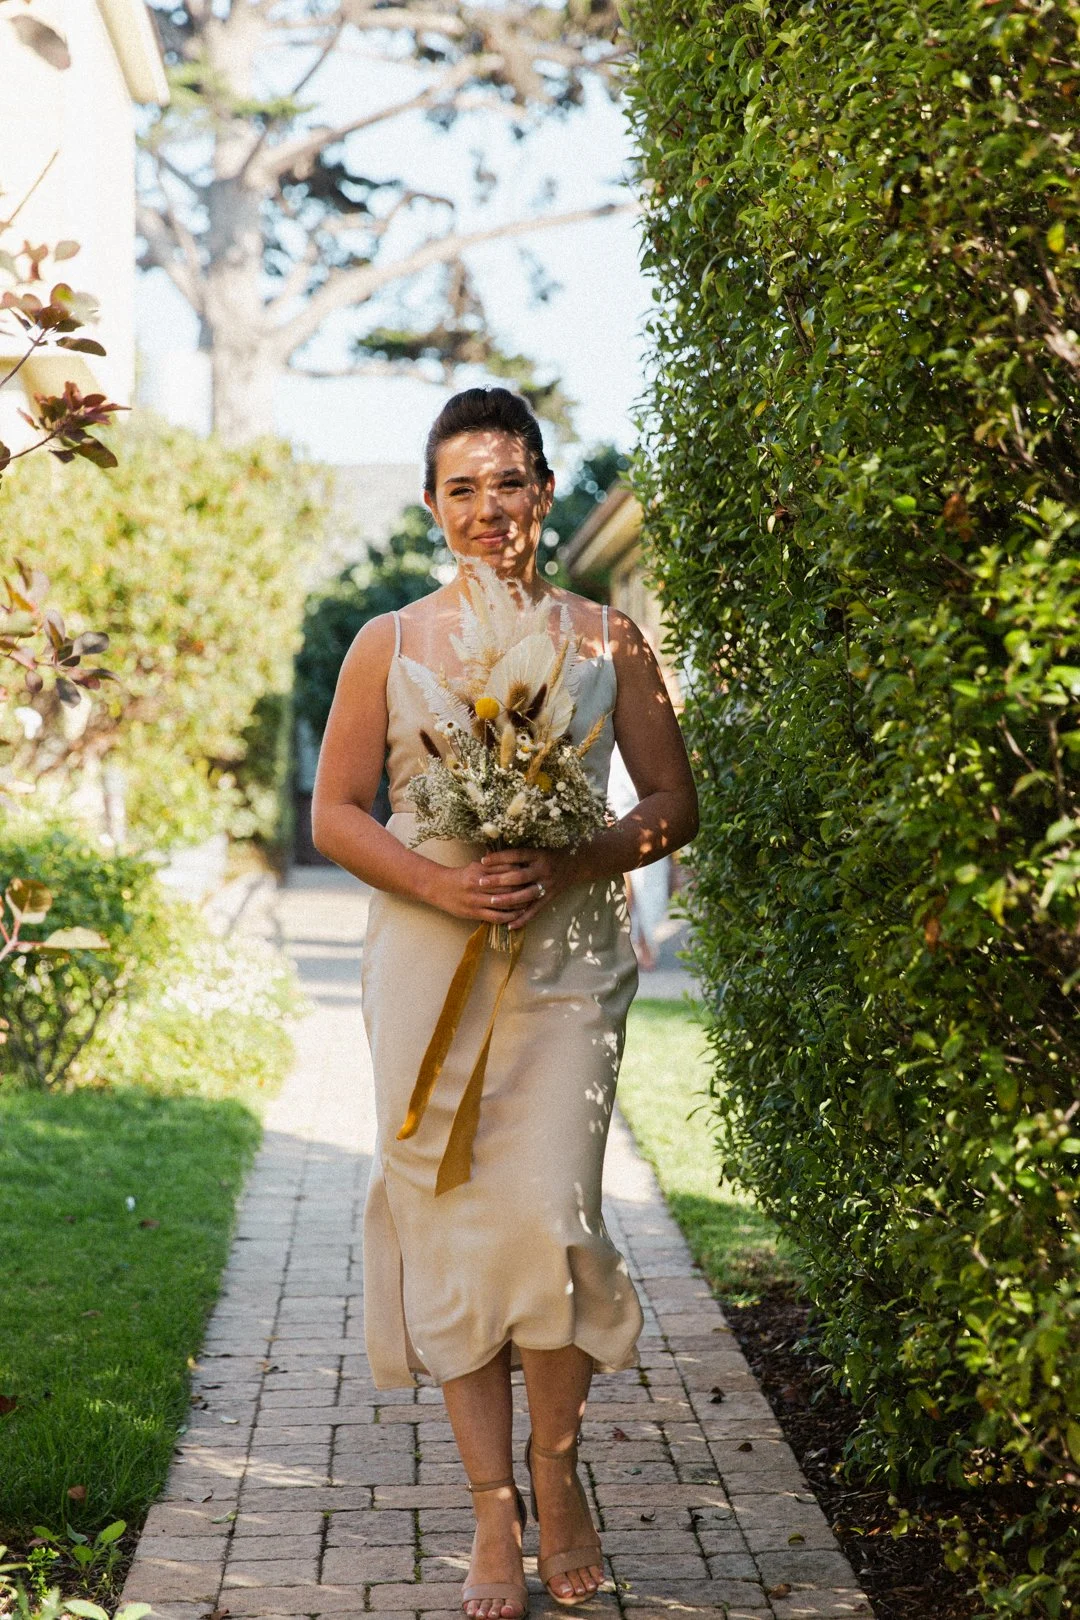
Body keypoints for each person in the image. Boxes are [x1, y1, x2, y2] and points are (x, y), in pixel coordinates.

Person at [312, 388, 698, 1620]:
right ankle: (492, 1509)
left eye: (509, 482)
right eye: (462, 488)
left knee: (548, 1218)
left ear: (544, 488)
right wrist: (440, 881)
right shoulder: (388, 642)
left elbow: (674, 804)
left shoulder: (608, 639)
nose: (489, 509)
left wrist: (577, 859)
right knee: (450, 1229)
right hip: (426, 963)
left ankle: (558, 1471)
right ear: (433, 505)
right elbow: (334, 814)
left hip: (566, 966)